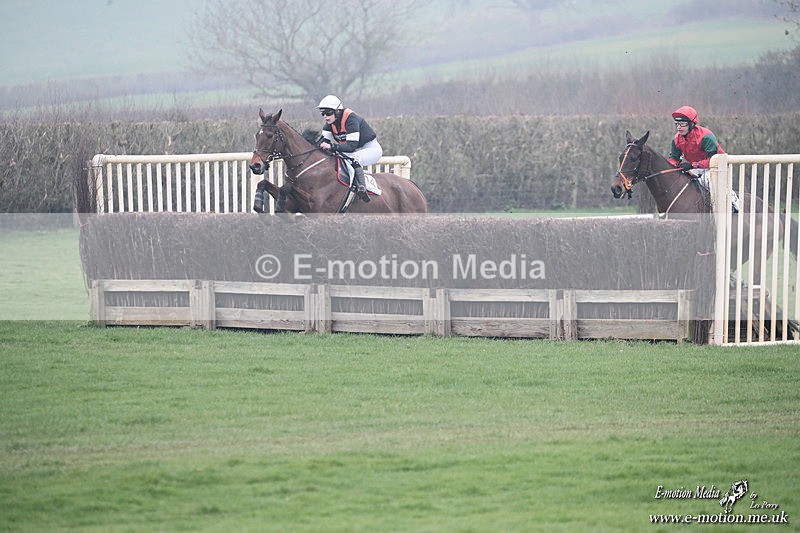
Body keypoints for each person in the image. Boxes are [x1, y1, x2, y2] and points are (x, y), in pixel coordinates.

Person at [667, 105, 738, 212]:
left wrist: (692, 165)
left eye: (682, 124)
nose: (679, 127)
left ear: (691, 124)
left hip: (717, 165)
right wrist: (671, 167)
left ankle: (734, 203)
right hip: (698, 167)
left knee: (708, 180)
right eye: (677, 124)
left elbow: (712, 160)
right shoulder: (677, 139)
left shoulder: (706, 137)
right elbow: (673, 158)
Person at [317, 95, 383, 202]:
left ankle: (362, 188)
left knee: (353, 159)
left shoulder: (351, 119)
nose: (325, 116)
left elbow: (351, 147)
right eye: (322, 113)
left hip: (370, 149)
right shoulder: (330, 123)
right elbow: (323, 142)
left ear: (337, 111)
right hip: (354, 150)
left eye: (328, 113)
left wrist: (332, 146)